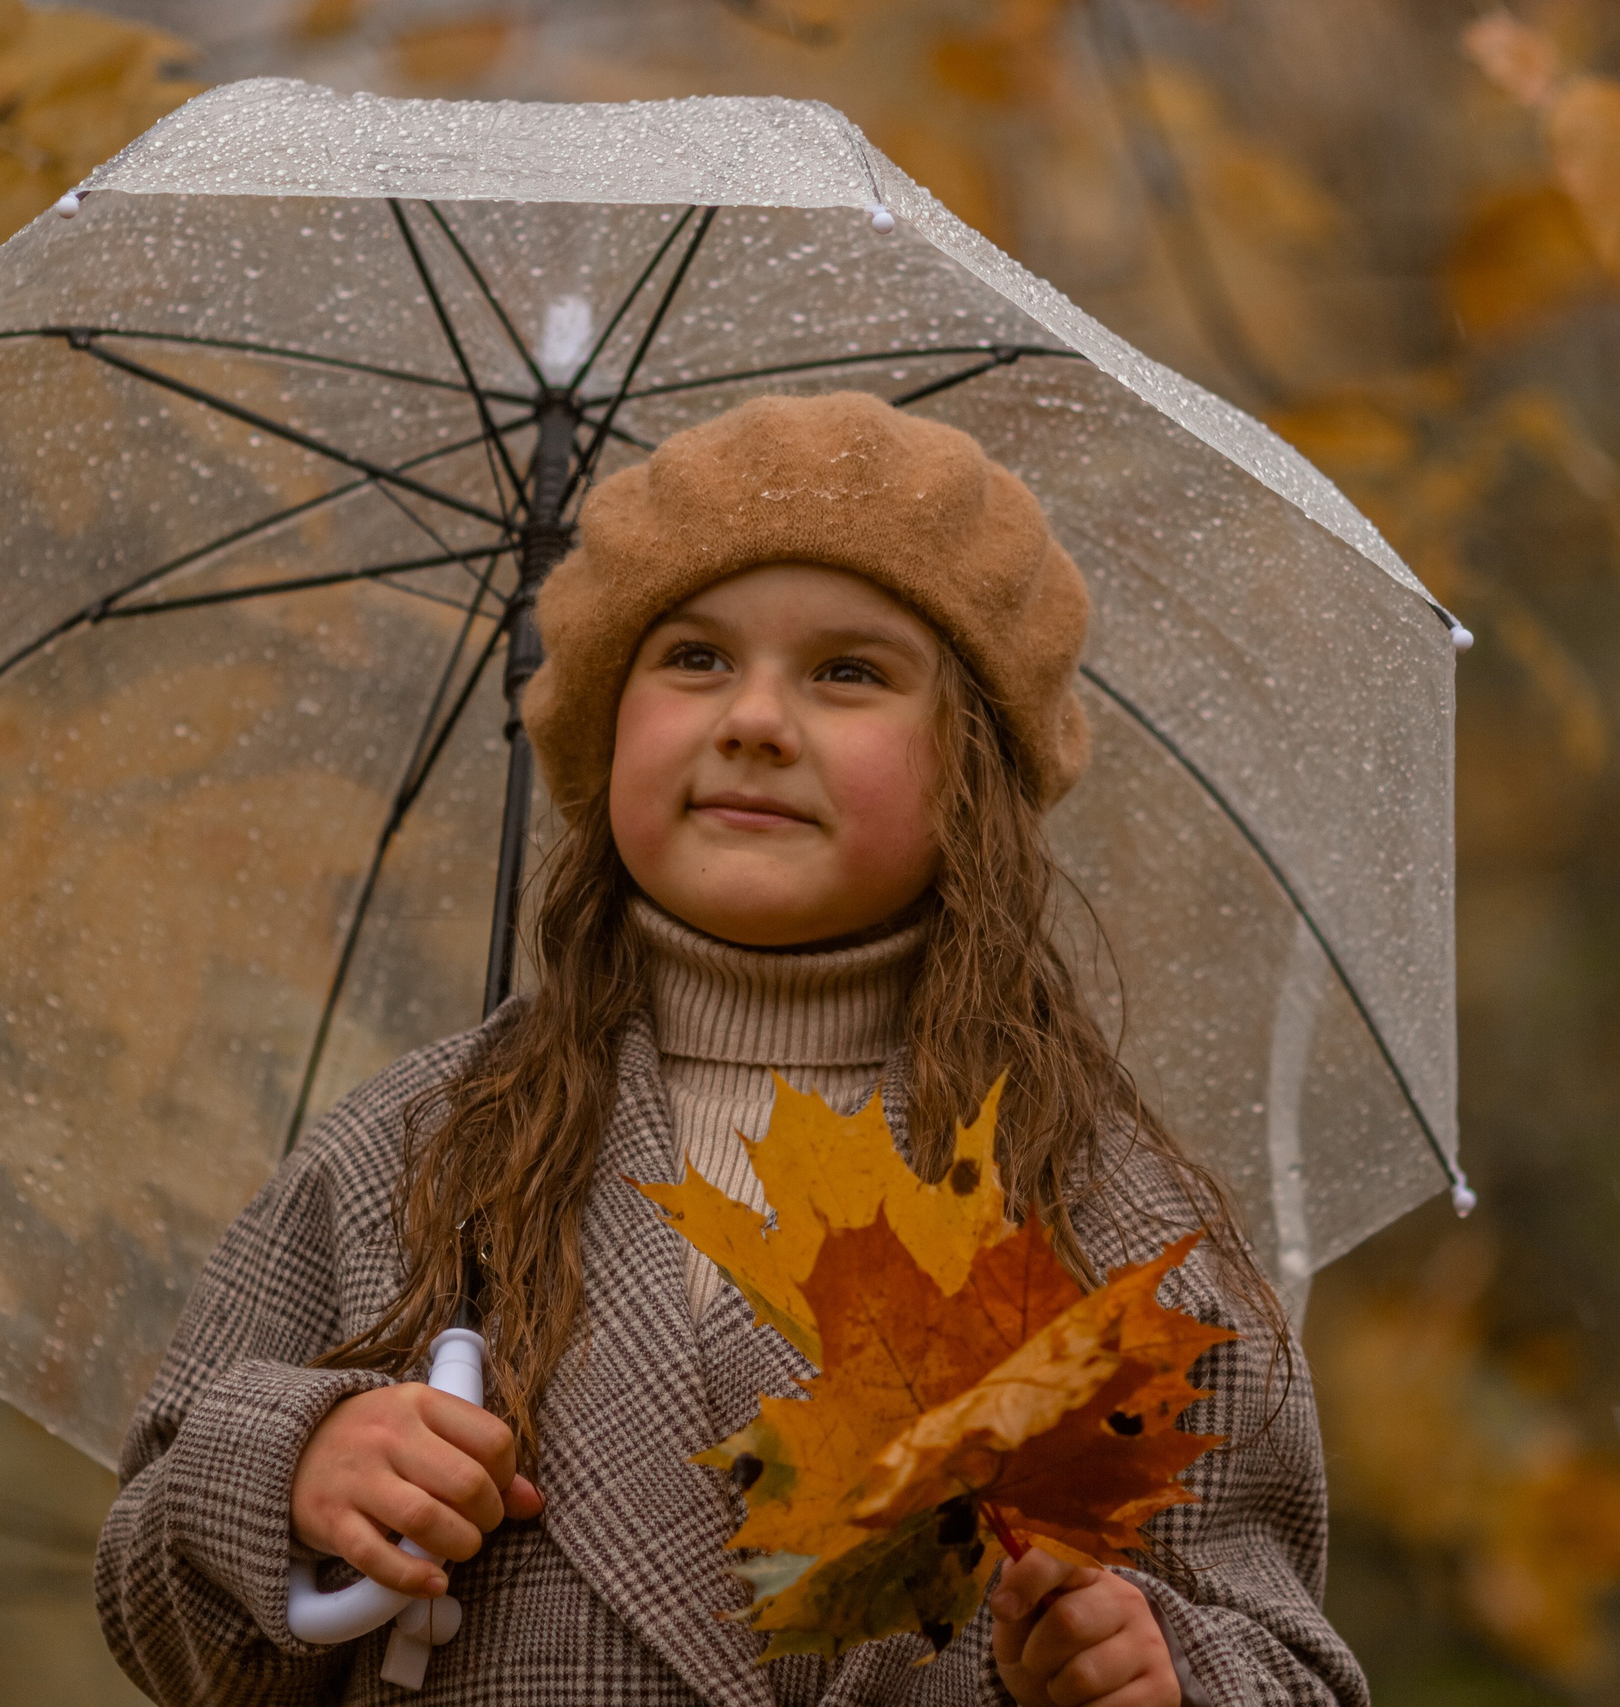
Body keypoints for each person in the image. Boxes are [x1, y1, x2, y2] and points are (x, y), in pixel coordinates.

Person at [94, 391, 1369, 1707]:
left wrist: (1154, 1674)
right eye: (695, 658)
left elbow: (1286, 1660)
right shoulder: (414, 1158)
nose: (755, 717)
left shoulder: (1102, 1216)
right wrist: (298, 1472)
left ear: (973, 768)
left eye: (848, 672)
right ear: (607, 730)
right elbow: (150, 1595)